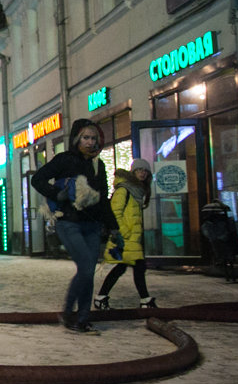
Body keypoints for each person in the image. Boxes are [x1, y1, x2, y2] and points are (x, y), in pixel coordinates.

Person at [31, 118, 122, 333]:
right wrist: (57, 194)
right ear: (77, 139)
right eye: (86, 138)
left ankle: (82, 319)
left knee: (86, 272)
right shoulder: (64, 159)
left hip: (91, 225)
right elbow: (38, 180)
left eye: (93, 138)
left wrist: (113, 227)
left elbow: (103, 199)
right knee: (87, 268)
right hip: (69, 223)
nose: (90, 142)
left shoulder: (97, 164)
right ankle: (67, 312)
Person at [94, 159, 155, 309]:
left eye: (145, 171)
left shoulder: (137, 191)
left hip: (132, 238)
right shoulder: (125, 190)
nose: (142, 173)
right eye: (139, 170)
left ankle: (101, 297)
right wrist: (125, 232)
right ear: (133, 172)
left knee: (124, 267)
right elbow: (115, 213)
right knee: (137, 267)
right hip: (124, 237)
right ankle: (145, 300)